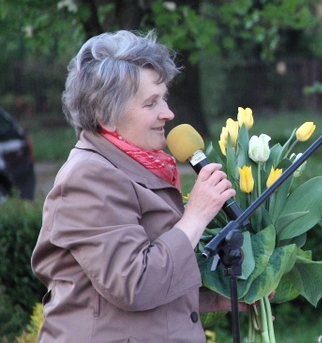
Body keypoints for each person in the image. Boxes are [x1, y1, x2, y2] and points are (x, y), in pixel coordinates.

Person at [32, 30, 238, 342]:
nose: (168, 113)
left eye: (164, 98)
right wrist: (196, 216)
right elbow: (135, 284)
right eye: (151, 103)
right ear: (106, 115)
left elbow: (140, 294)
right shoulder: (88, 178)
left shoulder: (140, 166)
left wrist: (222, 298)